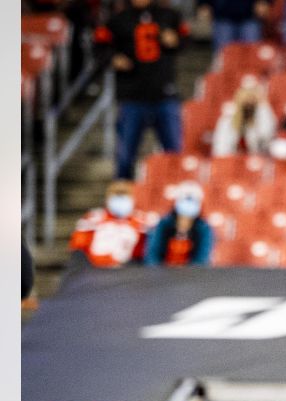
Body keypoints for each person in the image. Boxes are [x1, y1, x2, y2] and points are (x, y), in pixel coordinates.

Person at [97, 0, 186, 179]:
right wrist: (112, 59)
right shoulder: (117, 19)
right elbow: (99, 47)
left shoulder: (168, 15)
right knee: (125, 156)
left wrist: (176, 41)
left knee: (175, 154)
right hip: (132, 95)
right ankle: (122, 200)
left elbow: (184, 39)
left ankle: (175, 196)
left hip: (164, 93)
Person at [69, 180, 149, 268]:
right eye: (117, 196)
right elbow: (78, 246)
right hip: (96, 269)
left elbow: (147, 249)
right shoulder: (95, 218)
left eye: (124, 196)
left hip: (129, 270)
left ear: (133, 199)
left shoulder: (142, 220)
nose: (121, 201)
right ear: (108, 199)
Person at [143, 182, 214, 266]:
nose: (188, 204)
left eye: (192, 200)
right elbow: (152, 255)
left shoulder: (204, 229)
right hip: (162, 275)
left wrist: (186, 275)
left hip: (190, 276)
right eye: (185, 199)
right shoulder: (163, 225)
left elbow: (202, 259)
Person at [210, 78, 278, 157]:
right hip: (232, 161)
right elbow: (220, 148)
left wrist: (262, 103)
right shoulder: (227, 120)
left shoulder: (261, 116)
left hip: (256, 161)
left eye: (252, 97)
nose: (249, 101)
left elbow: (267, 133)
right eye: (246, 96)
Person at [197, 0, 269, 52]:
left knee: (252, 55)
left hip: (250, 16)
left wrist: (264, 1)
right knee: (223, 55)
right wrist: (204, 3)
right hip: (223, 16)